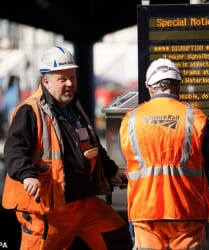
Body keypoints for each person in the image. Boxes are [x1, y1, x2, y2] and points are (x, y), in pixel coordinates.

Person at [1, 46, 133, 250]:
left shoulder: (74, 107)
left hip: (84, 203)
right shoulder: (30, 110)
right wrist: (27, 175)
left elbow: (92, 144)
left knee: (116, 236)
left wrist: (111, 171)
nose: (70, 84)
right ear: (46, 81)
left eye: (72, 77)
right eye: (62, 79)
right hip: (49, 208)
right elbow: (14, 150)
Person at [118, 58, 209, 249]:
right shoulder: (196, 118)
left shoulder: (130, 119)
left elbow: (130, 161)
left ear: (149, 87)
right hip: (188, 212)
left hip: (145, 212)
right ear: (178, 86)